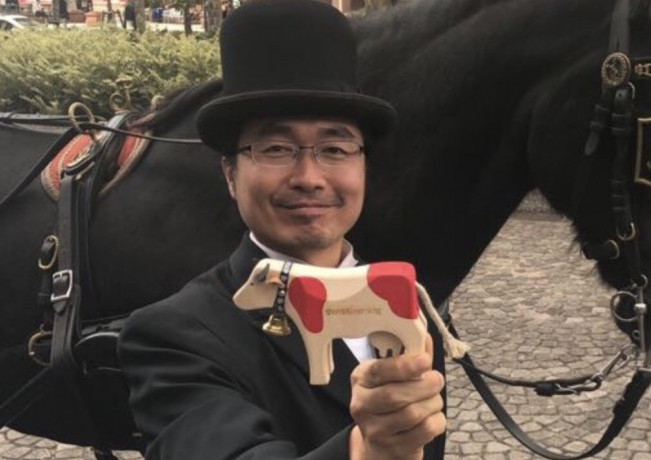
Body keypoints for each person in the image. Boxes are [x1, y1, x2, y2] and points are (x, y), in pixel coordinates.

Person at [117, 1, 448, 460]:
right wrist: (365, 449)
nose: (309, 177)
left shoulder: (405, 299)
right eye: (275, 148)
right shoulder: (171, 337)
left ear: (363, 168)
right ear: (230, 175)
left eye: (335, 149)